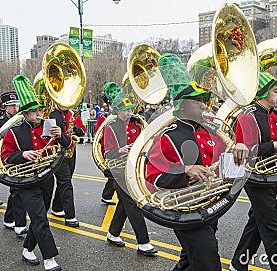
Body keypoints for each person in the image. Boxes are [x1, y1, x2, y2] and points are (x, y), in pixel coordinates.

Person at [146, 54, 225, 271]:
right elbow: (153, 179)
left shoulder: (209, 130)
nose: (203, 105)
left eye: (202, 100)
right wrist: (185, 171)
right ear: (182, 104)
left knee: (190, 261)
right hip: (185, 208)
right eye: (197, 101)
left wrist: (239, 149)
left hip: (211, 202)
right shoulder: (166, 137)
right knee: (209, 262)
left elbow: (224, 161)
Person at [229, 72, 277, 271]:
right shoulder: (248, 117)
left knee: (258, 221)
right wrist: (274, 146)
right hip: (254, 176)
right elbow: (246, 153)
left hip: (271, 173)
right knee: (272, 227)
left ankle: (238, 264)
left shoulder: (275, 116)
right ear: (263, 93)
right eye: (275, 91)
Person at [1, 75, 66, 271]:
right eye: (34, 112)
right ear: (25, 114)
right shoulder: (13, 132)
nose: (38, 114)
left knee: (40, 217)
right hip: (26, 180)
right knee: (39, 218)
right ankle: (49, 259)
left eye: (39, 110)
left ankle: (28, 249)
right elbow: (6, 158)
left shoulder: (48, 127)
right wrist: (22, 154)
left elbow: (67, 145)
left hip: (46, 177)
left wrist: (61, 135)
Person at [102, 82, 158, 256]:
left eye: (130, 109)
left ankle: (113, 233)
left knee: (125, 204)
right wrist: (120, 150)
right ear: (117, 111)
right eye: (125, 110)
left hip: (133, 168)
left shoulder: (136, 124)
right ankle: (143, 243)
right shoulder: (110, 127)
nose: (129, 112)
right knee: (133, 204)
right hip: (118, 170)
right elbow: (107, 153)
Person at [0, 92, 28, 235]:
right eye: (11, 106)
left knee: (16, 191)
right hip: (6, 160)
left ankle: (9, 218)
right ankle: (17, 222)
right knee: (17, 190)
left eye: (16, 105)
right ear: (4, 107)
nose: (15, 108)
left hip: (20, 159)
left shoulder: (21, 120)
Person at [49, 104, 86, 227]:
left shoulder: (73, 114)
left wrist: (78, 130)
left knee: (65, 181)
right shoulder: (51, 114)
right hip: (57, 152)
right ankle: (70, 216)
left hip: (71, 151)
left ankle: (56, 207)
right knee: (66, 183)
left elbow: (82, 130)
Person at [96, 91, 115, 205]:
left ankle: (107, 195)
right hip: (108, 148)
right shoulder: (103, 118)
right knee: (114, 173)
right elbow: (98, 135)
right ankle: (107, 195)